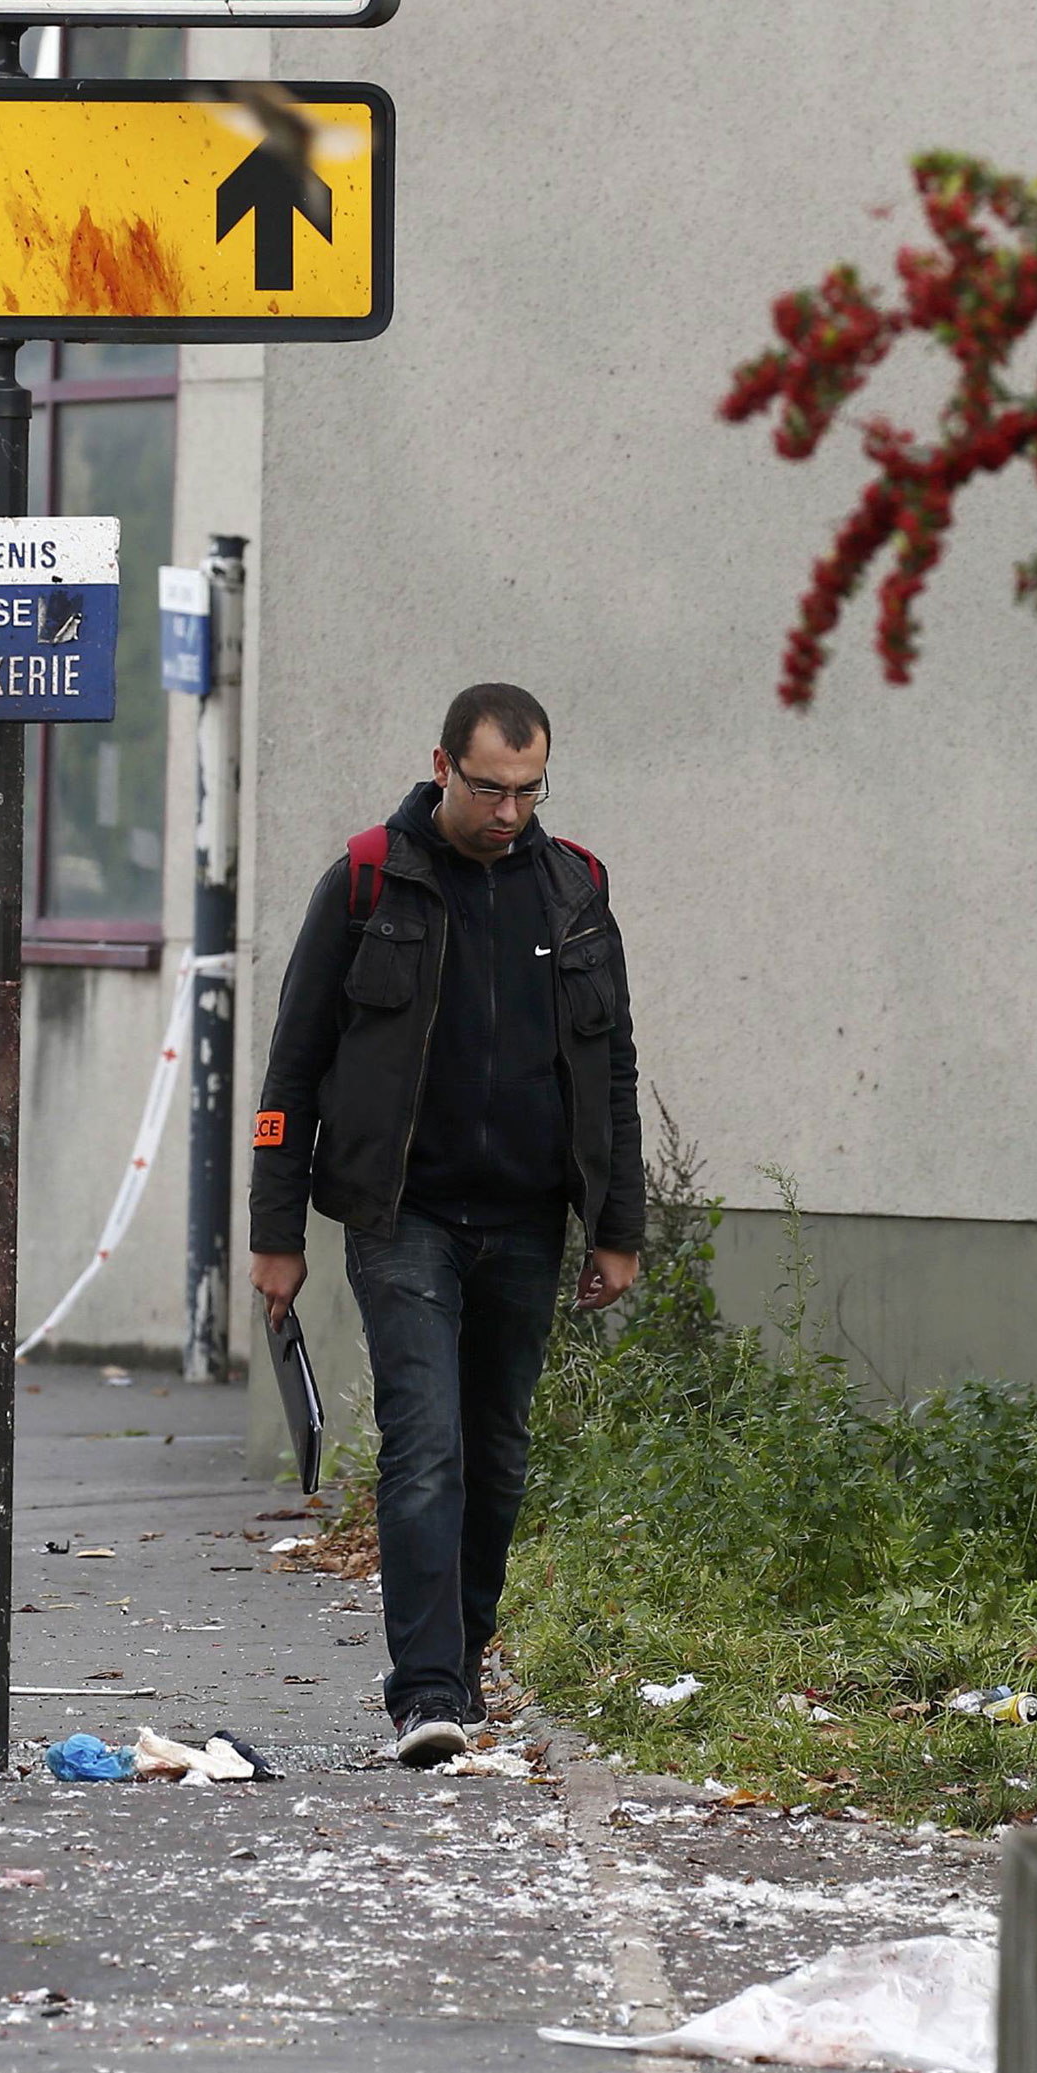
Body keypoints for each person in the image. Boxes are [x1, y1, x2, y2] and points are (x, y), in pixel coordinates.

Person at [248, 684, 645, 1769]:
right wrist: (275, 1230)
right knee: (427, 1446)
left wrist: (619, 1228)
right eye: (489, 788)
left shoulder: (575, 892)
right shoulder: (372, 880)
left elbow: (612, 1069)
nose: (509, 811)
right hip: (403, 1212)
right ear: (441, 765)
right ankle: (424, 1691)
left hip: (526, 1217)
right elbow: (292, 1064)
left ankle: (460, 1664)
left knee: (500, 1455)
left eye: (528, 789)